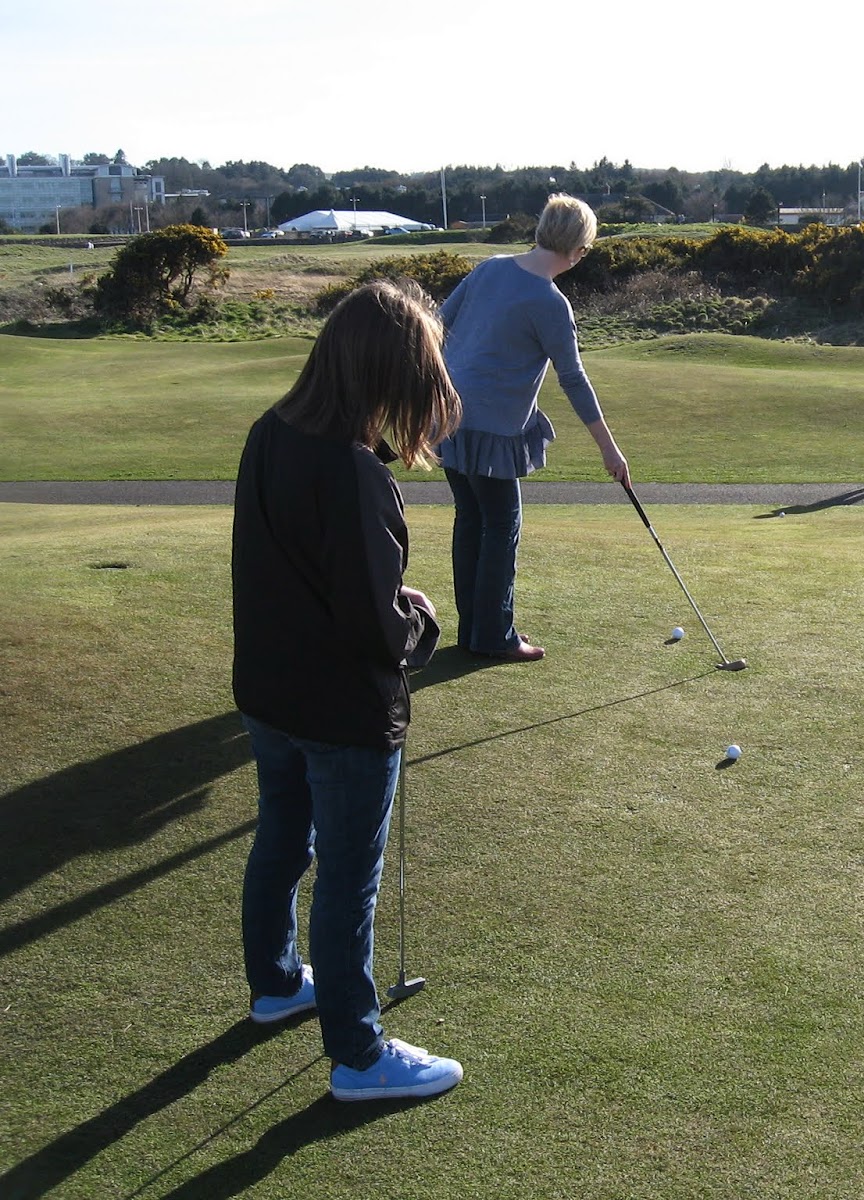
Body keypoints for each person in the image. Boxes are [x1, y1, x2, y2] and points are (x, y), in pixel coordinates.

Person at [232, 279, 465, 1102]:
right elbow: (376, 629)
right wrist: (421, 621)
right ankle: (359, 1057)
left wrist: (388, 600)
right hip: (342, 713)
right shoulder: (355, 473)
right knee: (345, 881)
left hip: (270, 695)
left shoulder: (270, 431)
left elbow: (296, 571)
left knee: (282, 841)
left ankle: (275, 984)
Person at [436, 194, 630, 661]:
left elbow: (437, 324)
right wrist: (609, 449)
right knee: (501, 523)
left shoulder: (490, 268)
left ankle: (474, 630)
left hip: (448, 417)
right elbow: (573, 379)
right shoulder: (550, 302)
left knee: (472, 519)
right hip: (491, 428)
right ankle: (493, 636)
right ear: (579, 249)